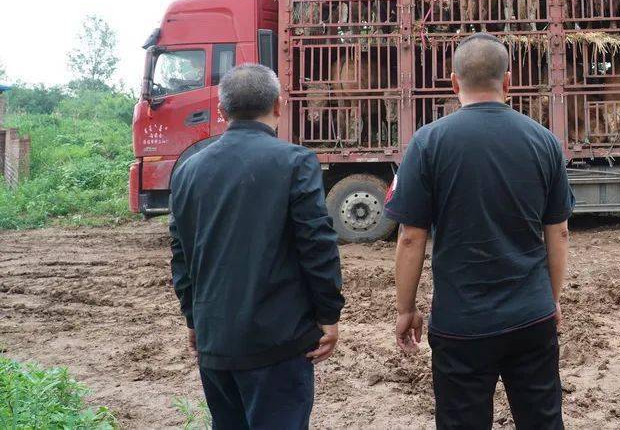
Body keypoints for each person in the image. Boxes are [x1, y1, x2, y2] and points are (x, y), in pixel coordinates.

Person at [387, 33, 574, 429]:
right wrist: (550, 300)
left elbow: (410, 237)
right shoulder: (545, 142)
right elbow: (558, 233)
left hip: (461, 324)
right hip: (531, 317)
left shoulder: (428, 142)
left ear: (454, 83)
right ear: (509, 82)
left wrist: (406, 309)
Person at [169, 63, 344, 430]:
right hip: (278, 342)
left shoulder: (187, 170)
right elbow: (316, 243)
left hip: (215, 340)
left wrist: (193, 318)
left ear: (221, 113)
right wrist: (328, 314)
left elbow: (182, 252)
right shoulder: (295, 162)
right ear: (279, 105)